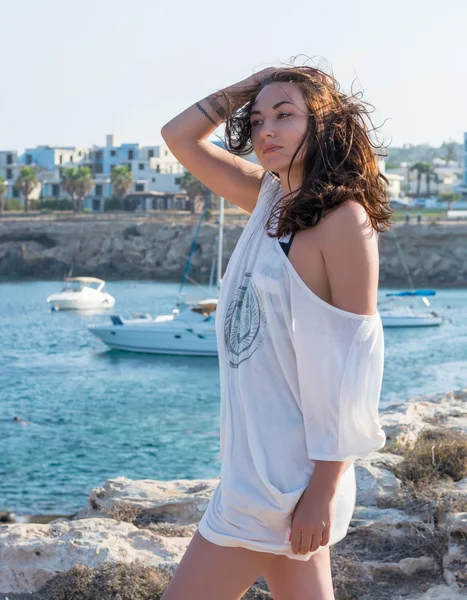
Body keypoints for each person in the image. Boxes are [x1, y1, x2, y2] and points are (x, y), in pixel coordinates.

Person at [160, 63, 392, 600]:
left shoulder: (341, 220)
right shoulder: (271, 200)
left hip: (284, 482)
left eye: (285, 115)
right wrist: (253, 85)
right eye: (257, 118)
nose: (266, 129)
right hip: (262, 466)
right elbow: (178, 136)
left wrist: (322, 491)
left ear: (325, 124)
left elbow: (353, 364)